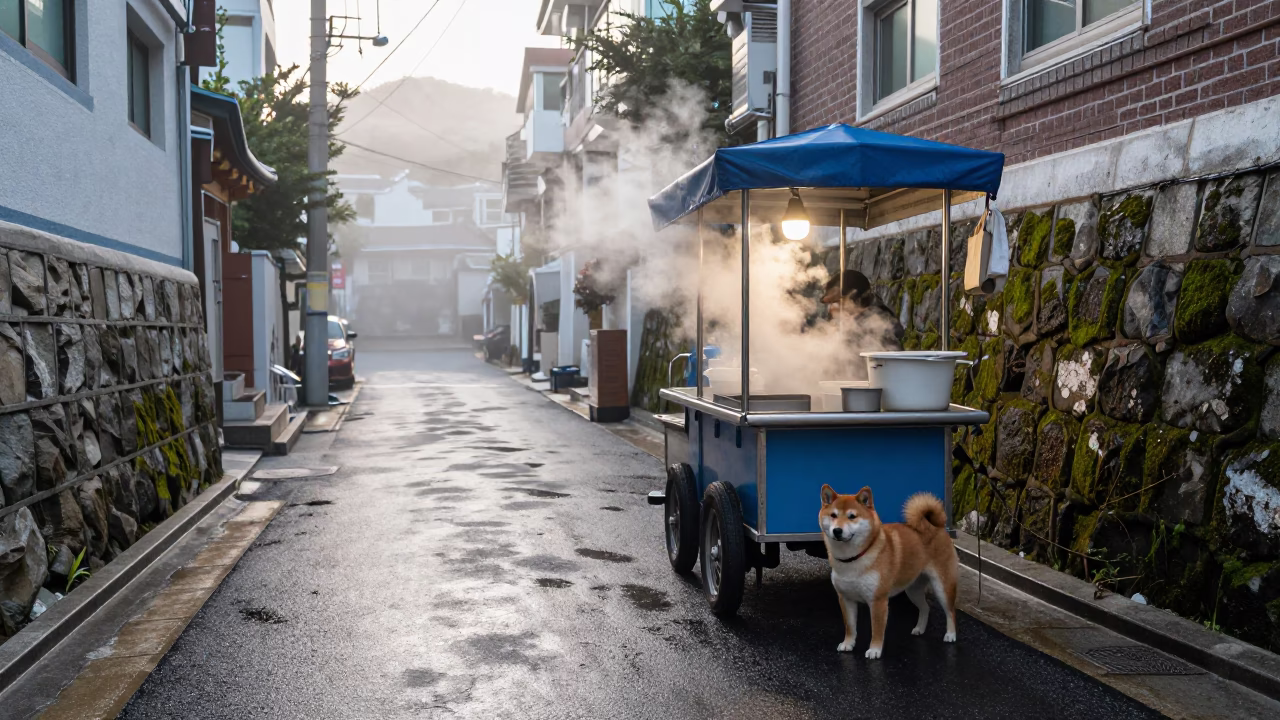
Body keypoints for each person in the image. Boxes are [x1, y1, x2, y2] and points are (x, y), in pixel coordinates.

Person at [821, 271, 905, 367]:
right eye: (830, 303)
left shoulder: (879, 324)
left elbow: (891, 366)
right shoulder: (845, 323)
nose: (832, 308)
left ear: (857, 300)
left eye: (836, 301)